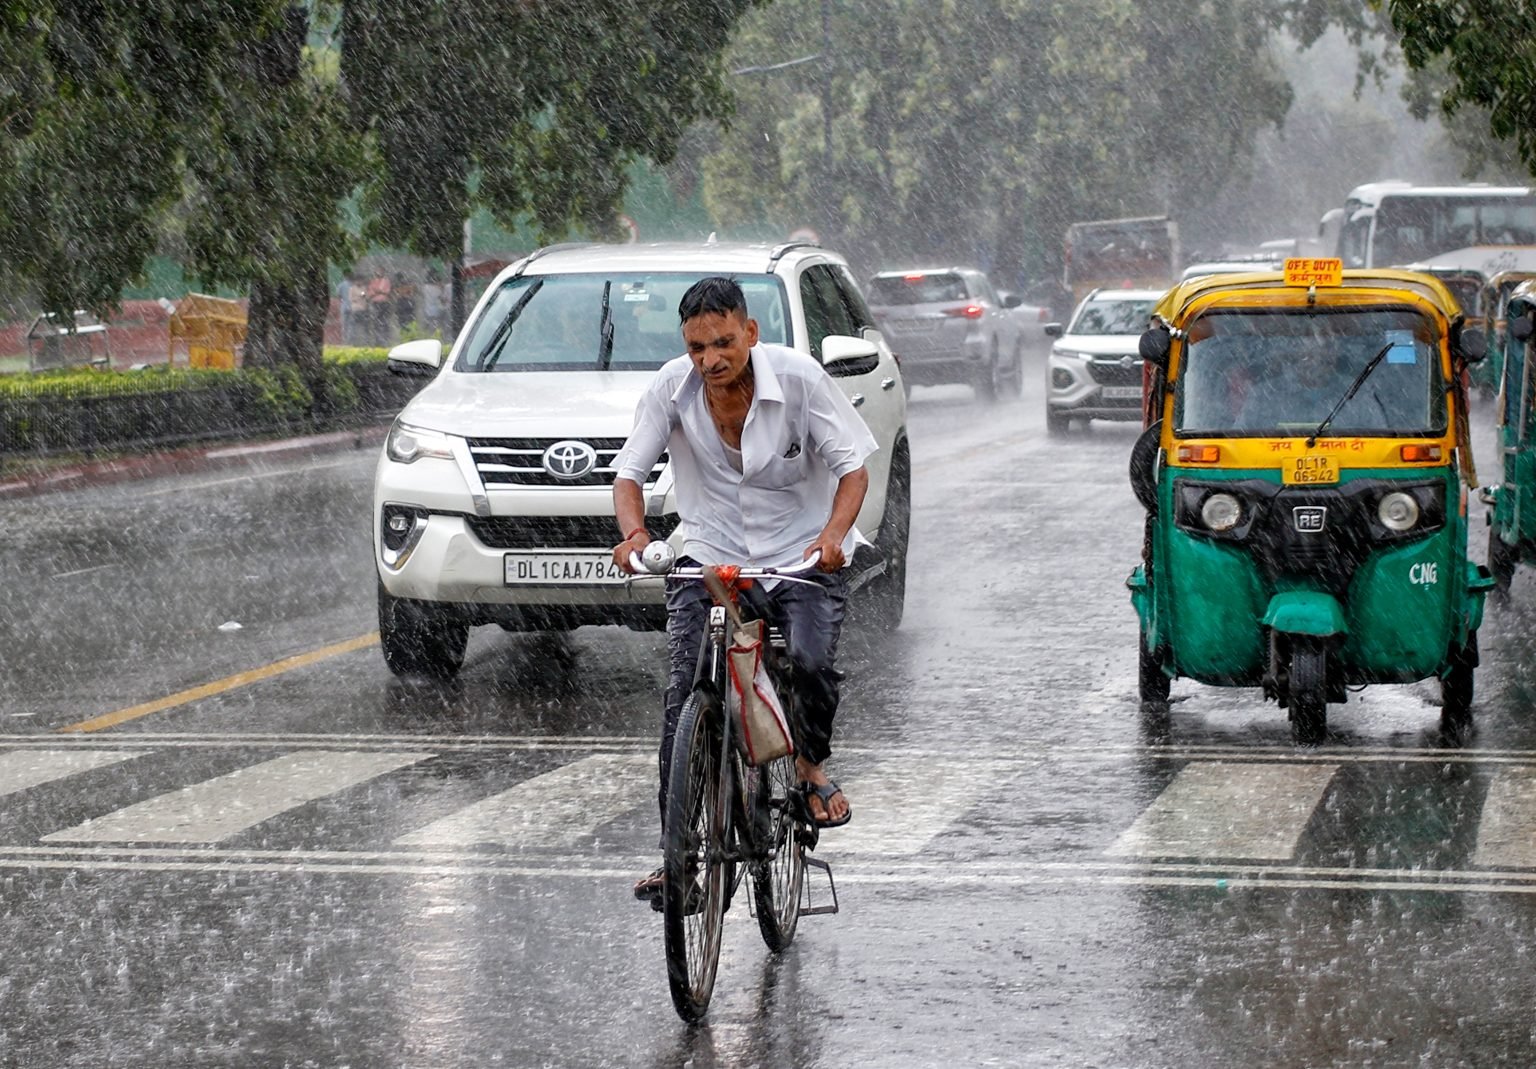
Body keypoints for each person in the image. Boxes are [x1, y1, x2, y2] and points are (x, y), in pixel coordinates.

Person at [611, 276, 874, 904]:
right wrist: (633, 534)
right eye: (698, 347)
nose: (711, 360)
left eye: (723, 343)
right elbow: (629, 474)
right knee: (683, 698)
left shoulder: (801, 381)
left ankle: (808, 766)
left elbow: (853, 469)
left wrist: (835, 534)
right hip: (710, 555)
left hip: (800, 554)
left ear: (751, 333)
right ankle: (680, 860)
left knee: (808, 662)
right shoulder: (672, 388)